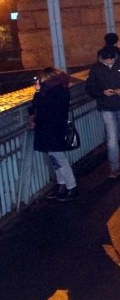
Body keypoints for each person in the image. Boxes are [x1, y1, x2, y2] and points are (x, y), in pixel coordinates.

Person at [85, 45, 120, 179]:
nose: (109, 61)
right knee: (112, 138)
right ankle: (114, 167)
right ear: (101, 58)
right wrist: (102, 92)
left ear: (115, 57)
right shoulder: (96, 69)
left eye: (111, 59)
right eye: (106, 59)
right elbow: (90, 88)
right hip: (106, 107)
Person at [29, 67, 78, 200]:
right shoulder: (57, 88)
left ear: (47, 77)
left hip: (52, 128)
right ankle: (62, 185)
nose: (40, 80)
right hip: (51, 128)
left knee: (59, 158)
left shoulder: (54, 91)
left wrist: (38, 92)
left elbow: (43, 107)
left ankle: (71, 186)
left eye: (41, 78)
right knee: (55, 159)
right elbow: (36, 107)